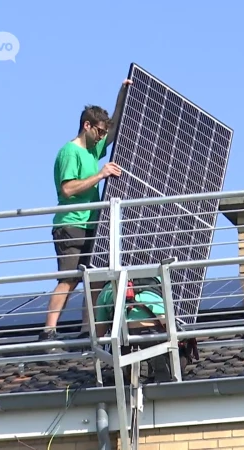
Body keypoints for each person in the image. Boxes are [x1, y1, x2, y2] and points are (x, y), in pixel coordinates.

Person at [41, 79, 132, 345]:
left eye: (104, 133)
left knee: (92, 277)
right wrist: (101, 174)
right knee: (69, 280)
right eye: (99, 132)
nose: (103, 137)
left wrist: (123, 93)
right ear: (87, 126)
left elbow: (115, 128)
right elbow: (68, 189)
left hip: (91, 224)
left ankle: (87, 330)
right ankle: (48, 331)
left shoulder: (93, 150)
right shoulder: (70, 152)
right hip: (71, 224)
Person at [94, 277, 172, 383]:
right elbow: (166, 323)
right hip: (153, 334)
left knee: (121, 347)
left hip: (124, 339)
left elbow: (100, 333)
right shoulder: (154, 284)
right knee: (174, 344)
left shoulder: (106, 291)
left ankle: (130, 371)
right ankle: (159, 364)